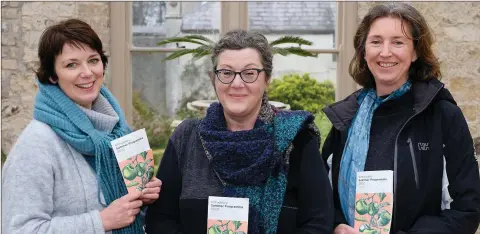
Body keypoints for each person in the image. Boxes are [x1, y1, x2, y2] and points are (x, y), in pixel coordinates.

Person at [145, 29, 334, 234]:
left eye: (249, 73)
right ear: (213, 79)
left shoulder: (297, 140)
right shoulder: (186, 138)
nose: (237, 83)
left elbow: (318, 224)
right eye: (226, 73)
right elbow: (160, 220)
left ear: (267, 78)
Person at [321, 3, 480, 234]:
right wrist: (336, 226)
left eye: (398, 42)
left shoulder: (443, 116)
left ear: (415, 52)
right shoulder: (346, 118)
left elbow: (467, 210)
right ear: (364, 51)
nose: (385, 52)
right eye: (376, 41)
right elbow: (320, 199)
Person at [2, 19, 162, 234]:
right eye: (71, 64)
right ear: (52, 76)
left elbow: (124, 210)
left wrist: (142, 194)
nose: (87, 72)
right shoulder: (36, 146)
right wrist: (100, 221)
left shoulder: (118, 130)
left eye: (93, 60)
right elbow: (18, 229)